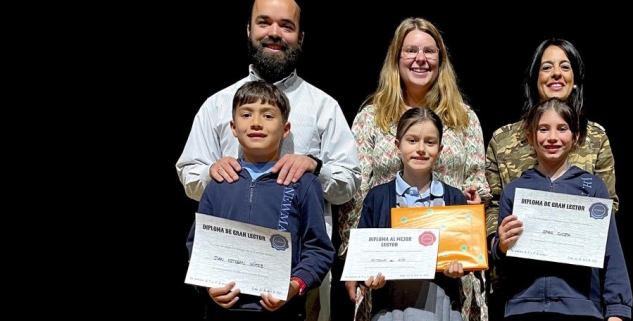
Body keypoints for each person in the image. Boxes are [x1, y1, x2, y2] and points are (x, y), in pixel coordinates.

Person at [175, 1, 361, 320]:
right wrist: (211, 172)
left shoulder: (324, 107)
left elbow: (349, 185)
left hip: (300, 286)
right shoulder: (216, 105)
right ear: (249, 30)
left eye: (286, 26)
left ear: (300, 36)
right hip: (227, 286)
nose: (274, 33)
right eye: (264, 23)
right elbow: (190, 177)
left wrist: (315, 166)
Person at [337, 17, 491, 321]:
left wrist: (473, 206)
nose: (420, 59)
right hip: (387, 272)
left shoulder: (465, 118)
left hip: (449, 270)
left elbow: (478, 181)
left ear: (440, 60)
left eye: (429, 52)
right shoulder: (371, 117)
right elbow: (356, 195)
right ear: (396, 59)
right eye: (410, 51)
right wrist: (355, 260)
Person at [484, 38, 619, 320]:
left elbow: (607, 212)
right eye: (547, 67)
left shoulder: (595, 136)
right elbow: (494, 205)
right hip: (521, 289)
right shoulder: (503, 138)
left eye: (564, 66)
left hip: (578, 289)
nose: (556, 73)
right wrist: (500, 245)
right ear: (535, 77)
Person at [185, 80, 334, 321]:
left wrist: (295, 285)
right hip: (221, 312)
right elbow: (198, 246)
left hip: (283, 311)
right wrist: (207, 288)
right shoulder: (219, 182)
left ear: (285, 129)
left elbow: (318, 249)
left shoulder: (303, 183)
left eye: (268, 115)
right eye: (246, 114)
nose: (256, 123)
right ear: (233, 127)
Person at [490, 97, 632, 321]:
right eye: (543, 129)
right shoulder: (514, 191)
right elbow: (501, 258)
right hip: (524, 308)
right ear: (530, 137)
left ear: (576, 138)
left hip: (581, 308)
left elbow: (611, 252)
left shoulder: (593, 188)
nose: (552, 137)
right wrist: (502, 246)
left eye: (562, 129)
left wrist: (617, 310)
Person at [346, 108, 469, 321]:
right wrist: (369, 277)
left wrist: (461, 267)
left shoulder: (454, 197)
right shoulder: (378, 197)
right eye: (412, 140)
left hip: (439, 303)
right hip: (389, 306)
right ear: (397, 145)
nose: (421, 149)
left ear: (440, 149)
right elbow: (365, 255)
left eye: (430, 142)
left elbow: (465, 254)